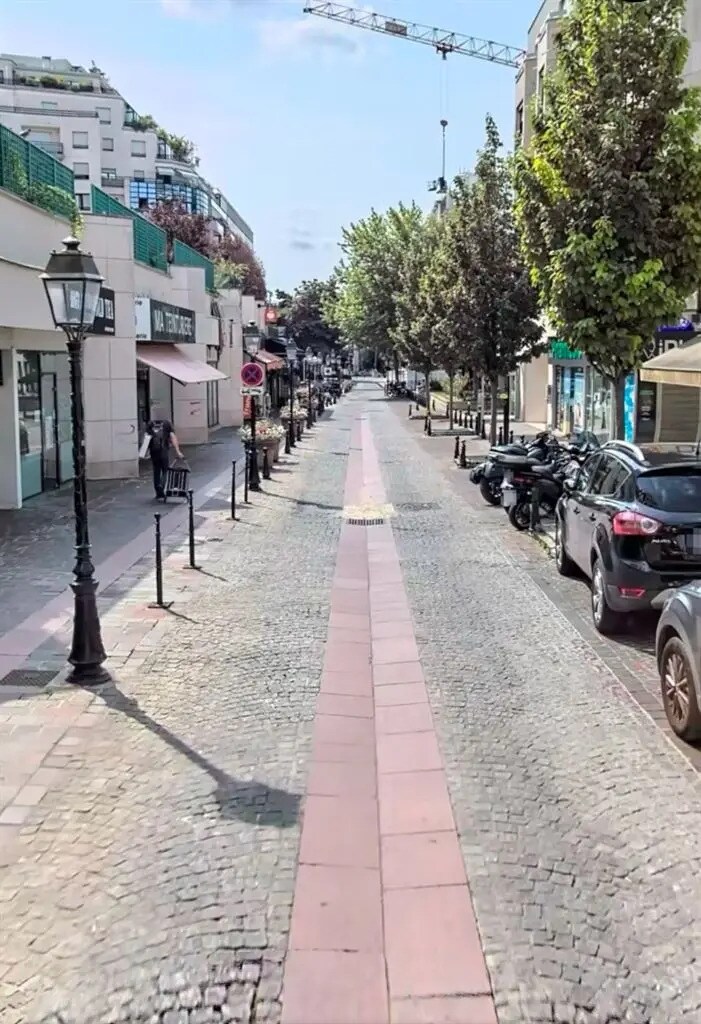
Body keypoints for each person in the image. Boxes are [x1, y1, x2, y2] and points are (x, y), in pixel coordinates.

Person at [145, 415, 183, 500]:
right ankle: (162, 487)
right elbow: (173, 437)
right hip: (163, 451)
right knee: (165, 470)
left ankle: (158, 492)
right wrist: (177, 451)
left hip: (154, 453)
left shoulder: (151, 423)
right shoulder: (167, 423)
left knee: (156, 471)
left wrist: (145, 452)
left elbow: (147, 439)